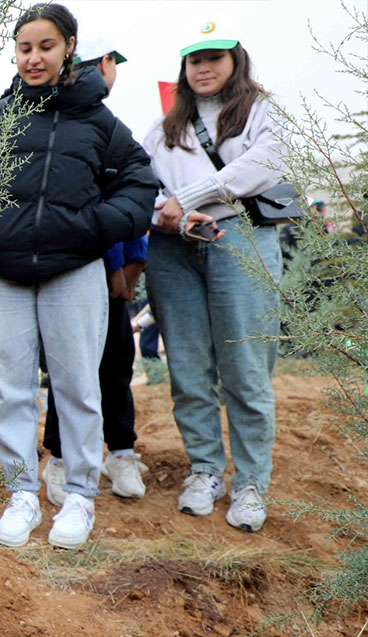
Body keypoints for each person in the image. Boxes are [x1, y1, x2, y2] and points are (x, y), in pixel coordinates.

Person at [0, 3, 156, 550]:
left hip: (73, 271)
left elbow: (141, 183)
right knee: (8, 388)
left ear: (68, 46)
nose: (34, 58)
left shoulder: (96, 120)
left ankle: (78, 496)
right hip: (1, 274)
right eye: (25, 48)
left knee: (76, 385)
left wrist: (94, 227)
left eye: (46, 46)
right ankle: (22, 494)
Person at [142, 22, 287, 532]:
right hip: (173, 248)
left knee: (245, 368)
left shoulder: (261, 111)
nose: (203, 68)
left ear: (235, 60)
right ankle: (204, 469)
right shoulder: (163, 128)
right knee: (187, 366)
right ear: (183, 69)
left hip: (240, 239)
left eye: (214, 57)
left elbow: (265, 165)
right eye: (193, 60)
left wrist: (195, 196)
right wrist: (174, 211)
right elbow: (146, 189)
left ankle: (250, 481)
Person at [42, 41, 149, 505]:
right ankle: (61, 459)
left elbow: (132, 200)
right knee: (68, 370)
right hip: (74, 272)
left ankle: (120, 451)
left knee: (115, 366)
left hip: (113, 281)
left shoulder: (112, 129)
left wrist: (128, 270)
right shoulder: (59, 127)